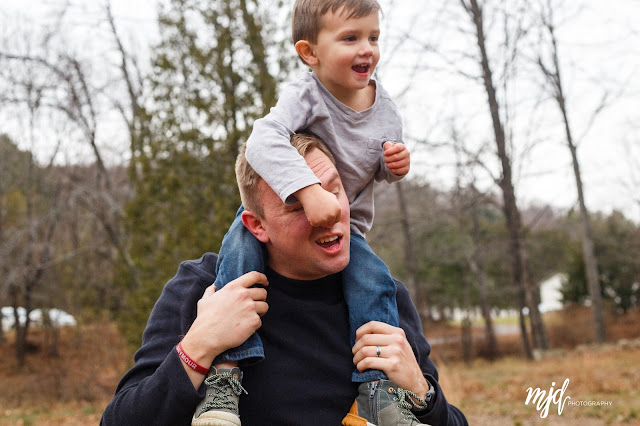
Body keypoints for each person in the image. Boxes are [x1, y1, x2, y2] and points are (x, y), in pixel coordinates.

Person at [101, 134, 467, 426]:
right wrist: (198, 347)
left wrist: (421, 391)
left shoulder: (384, 296)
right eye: (297, 205)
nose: (327, 212)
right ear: (257, 225)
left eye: (333, 189)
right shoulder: (201, 288)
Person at [206, 1, 412, 423]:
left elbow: (374, 169)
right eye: (350, 38)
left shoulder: (385, 108)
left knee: (373, 282)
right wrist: (308, 190)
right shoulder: (306, 94)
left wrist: (394, 168)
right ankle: (225, 372)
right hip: (287, 204)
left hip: (348, 226)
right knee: (239, 260)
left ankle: (377, 388)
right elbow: (262, 142)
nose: (367, 49)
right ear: (309, 53)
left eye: (373, 37)